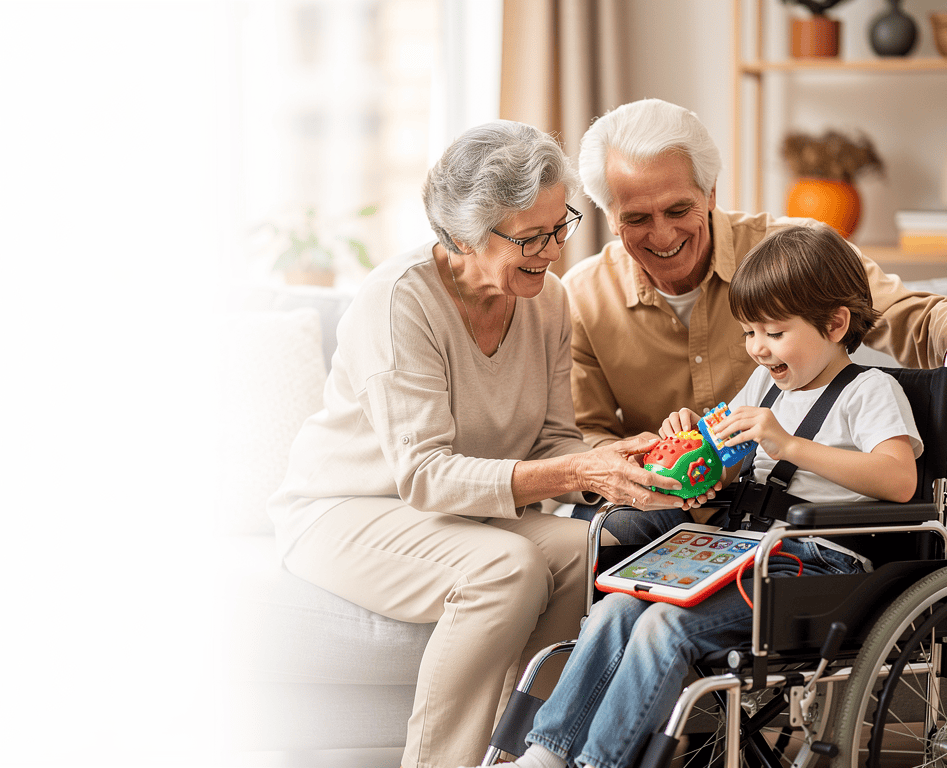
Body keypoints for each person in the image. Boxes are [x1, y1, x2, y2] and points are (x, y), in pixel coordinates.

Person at [267, 121, 702, 768]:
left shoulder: (548, 300)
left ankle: (520, 757)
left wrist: (615, 463)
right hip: (346, 509)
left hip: (454, 516)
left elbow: (555, 438)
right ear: (463, 234)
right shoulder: (399, 303)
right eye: (531, 236)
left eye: (561, 227)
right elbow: (425, 477)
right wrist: (577, 470)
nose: (553, 249)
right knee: (505, 569)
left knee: (578, 547)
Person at [458, 223, 922, 768]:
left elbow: (899, 480)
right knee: (618, 609)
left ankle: (599, 762)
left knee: (663, 625)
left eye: (773, 332)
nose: (758, 348)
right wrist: (688, 445)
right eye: (749, 333)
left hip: (819, 565)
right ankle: (547, 753)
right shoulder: (766, 386)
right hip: (743, 553)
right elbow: (719, 472)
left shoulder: (869, 391)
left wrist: (788, 444)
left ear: (836, 323)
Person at [564, 98, 947, 543]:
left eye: (678, 210)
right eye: (636, 218)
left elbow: (902, 312)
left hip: (776, 516)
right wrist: (649, 462)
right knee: (599, 532)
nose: (663, 234)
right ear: (610, 217)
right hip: (669, 501)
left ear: (710, 191)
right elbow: (587, 434)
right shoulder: (582, 298)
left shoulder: (792, 252)